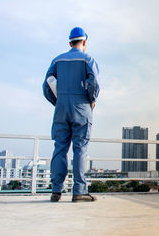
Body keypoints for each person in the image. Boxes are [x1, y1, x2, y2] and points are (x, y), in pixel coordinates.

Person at [43, 27, 100, 202]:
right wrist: (91, 99)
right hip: (81, 105)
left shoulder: (56, 60)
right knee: (80, 148)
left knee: (60, 147)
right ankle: (79, 191)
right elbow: (94, 82)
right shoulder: (87, 59)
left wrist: (58, 102)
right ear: (84, 42)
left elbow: (47, 85)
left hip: (61, 107)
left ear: (70, 43)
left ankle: (56, 190)